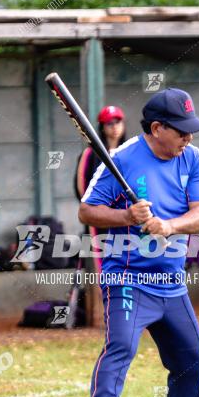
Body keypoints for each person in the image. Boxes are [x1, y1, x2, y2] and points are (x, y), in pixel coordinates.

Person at [79, 88, 199, 397]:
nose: (188, 138)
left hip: (171, 282)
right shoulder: (122, 159)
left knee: (190, 359)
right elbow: (87, 211)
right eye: (181, 130)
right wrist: (126, 217)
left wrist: (169, 226)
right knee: (122, 346)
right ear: (157, 128)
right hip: (126, 277)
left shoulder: (192, 158)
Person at [75, 106, 127, 275]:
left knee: (127, 268)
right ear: (102, 127)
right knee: (102, 271)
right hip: (100, 219)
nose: (114, 127)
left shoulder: (130, 153)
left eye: (118, 122)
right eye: (109, 123)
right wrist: (96, 209)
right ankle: (101, 301)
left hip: (126, 217)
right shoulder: (90, 154)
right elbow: (81, 188)